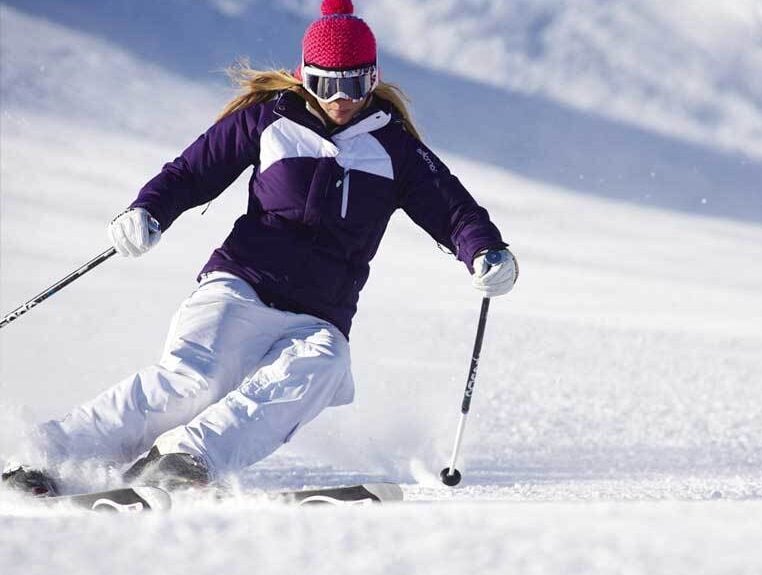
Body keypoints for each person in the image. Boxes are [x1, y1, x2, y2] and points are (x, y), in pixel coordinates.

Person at [1, 0, 517, 496]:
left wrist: (485, 251)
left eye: (355, 84)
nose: (341, 98)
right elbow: (191, 172)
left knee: (325, 364)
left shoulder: (395, 148)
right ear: (304, 76)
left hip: (319, 312)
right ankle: (42, 457)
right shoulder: (269, 120)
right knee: (192, 382)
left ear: (373, 78)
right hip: (240, 285)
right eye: (325, 84)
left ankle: (186, 459)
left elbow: (455, 212)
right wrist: (147, 211)